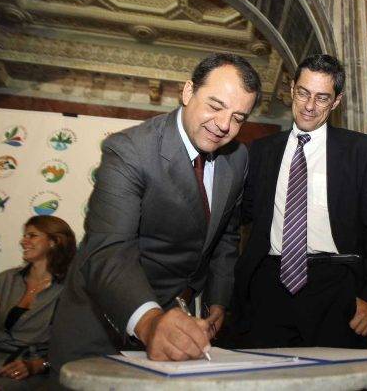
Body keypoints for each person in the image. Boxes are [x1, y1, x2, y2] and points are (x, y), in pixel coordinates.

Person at [49, 53, 260, 371]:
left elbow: (226, 233)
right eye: (215, 106)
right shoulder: (130, 150)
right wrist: (149, 322)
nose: (223, 125)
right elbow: (108, 251)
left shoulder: (237, 157)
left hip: (176, 319)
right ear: (188, 92)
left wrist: (218, 299)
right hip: (104, 319)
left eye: (238, 118)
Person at [234, 54, 367, 348]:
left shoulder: (361, 150)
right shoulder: (260, 151)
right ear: (292, 89)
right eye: (303, 93)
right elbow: (237, 216)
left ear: (336, 102)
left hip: (337, 289)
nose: (309, 106)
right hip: (267, 288)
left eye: (322, 98)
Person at [0, 215, 76, 391]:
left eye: (32, 235)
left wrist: (38, 365)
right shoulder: (5, 279)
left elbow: (76, 346)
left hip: (34, 369)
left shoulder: (71, 288)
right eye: (24, 235)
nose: (23, 241)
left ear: (54, 242)